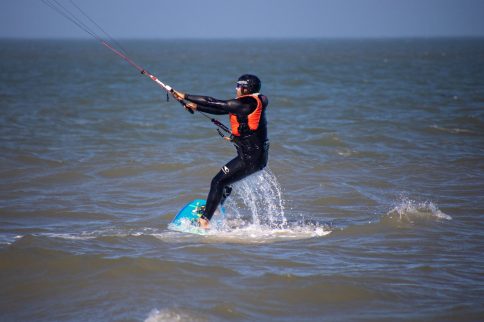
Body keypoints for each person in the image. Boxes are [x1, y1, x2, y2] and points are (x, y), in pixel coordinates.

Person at [172, 74, 269, 228]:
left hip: (250, 158)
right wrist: (196, 107)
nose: (236, 88)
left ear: (246, 88)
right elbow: (223, 110)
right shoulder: (253, 101)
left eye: (238, 85)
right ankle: (215, 209)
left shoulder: (247, 104)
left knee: (218, 182)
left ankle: (204, 221)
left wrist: (185, 95)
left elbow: (214, 102)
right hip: (257, 156)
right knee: (226, 183)